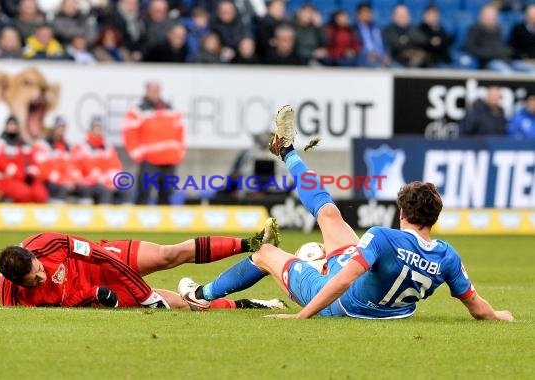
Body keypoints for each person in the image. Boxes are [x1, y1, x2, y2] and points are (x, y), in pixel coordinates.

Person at [178, 105, 513, 322]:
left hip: (343, 305)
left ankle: (201, 296)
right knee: (329, 213)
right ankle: (287, 151)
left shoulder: (383, 238)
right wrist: (501, 316)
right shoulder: (448, 256)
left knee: (265, 253)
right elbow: (478, 307)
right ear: (434, 218)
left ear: (401, 212)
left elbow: (343, 279)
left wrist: (303, 316)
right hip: (386, 307)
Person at [0, 221, 285, 310]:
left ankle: (252, 243)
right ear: (16, 283)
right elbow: (61, 307)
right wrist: (94, 297)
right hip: (94, 293)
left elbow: (99, 255)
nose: (42, 277)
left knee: (168, 254)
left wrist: (145, 294)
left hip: (101, 261)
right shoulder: (12, 299)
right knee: (181, 306)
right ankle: (248, 304)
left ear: (33, 256)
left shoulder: (48, 243)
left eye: (40, 269)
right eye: (34, 280)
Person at [125, 81, 185, 205]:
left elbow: (180, 131)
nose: (155, 93)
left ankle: (165, 223)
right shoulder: (138, 110)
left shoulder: (170, 109)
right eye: (152, 90)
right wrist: (137, 154)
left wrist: (179, 152)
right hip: (149, 160)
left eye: (157, 90)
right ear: (146, 91)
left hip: (169, 160)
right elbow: (129, 133)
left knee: (167, 194)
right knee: (144, 194)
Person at [0, 116, 48, 203]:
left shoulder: (22, 144)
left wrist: (31, 175)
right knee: (23, 193)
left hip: (19, 179)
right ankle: (18, 215)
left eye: (15, 125)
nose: (12, 127)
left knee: (40, 194)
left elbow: (31, 161)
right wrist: (21, 175)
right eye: (10, 125)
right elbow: (1, 163)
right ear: (6, 126)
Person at [355, 2, 390, 68]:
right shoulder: (354, 30)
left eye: (369, 12)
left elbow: (387, 45)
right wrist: (368, 54)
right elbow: (356, 47)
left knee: (400, 70)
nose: (367, 14)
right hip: (365, 59)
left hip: (382, 58)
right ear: (358, 14)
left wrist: (387, 55)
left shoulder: (378, 28)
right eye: (364, 12)